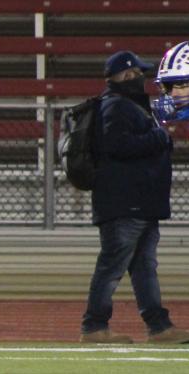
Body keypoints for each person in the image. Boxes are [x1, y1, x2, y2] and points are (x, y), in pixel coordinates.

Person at [80, 49, 187, 344]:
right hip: (126, 203)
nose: (143, 79)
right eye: (138, 74)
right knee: (112, 266)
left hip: (138, 203)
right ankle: (94, 327)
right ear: (127, 75)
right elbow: (118, 145)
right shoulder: (117, 107)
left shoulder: (122, 106)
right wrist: (159, 137)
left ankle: (159, 326)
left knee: (143, 269)